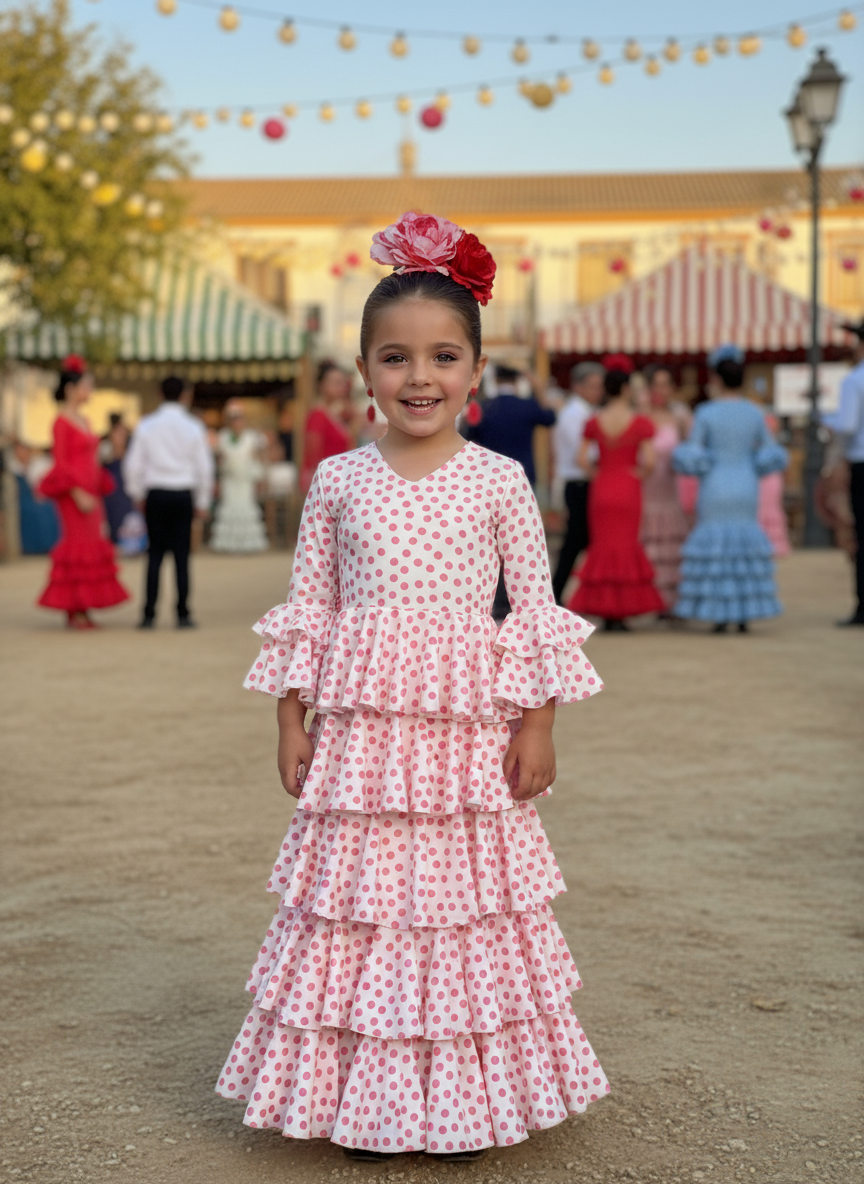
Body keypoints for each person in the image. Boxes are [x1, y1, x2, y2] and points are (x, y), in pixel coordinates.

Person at [216, 211, 609, 1159]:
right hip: (359, 747)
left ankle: (463, 1104)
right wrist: (288, 722)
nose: (419, 377)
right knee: (365, 910)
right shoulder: (339, 483)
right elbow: (307, 606)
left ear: (476, 371)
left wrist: (539, 726)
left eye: (441, 357)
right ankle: (369, 1103)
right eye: (395, 358)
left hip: (466, 740)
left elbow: (535, 612)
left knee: (461, 913)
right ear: (364, 372)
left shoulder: (500, 482)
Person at [672, 345, 788, 634]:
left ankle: (720, 616)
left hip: (715, 483)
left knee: (717, 548)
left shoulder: (706, 412)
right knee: (743, 547)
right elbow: (770, 453)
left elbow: (692, 452)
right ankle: (743, 615)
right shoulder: (755, 412)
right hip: (746, 483)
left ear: (717, 379)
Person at [568, 357, 664, 631]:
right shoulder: (640, 422)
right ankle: (622, 612)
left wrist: (598, 472)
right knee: (626, 546)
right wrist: (638, 474)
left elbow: (582, 459)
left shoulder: (594, 420)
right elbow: (650, 460)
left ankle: (606, 612)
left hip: (603, 487)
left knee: (603, 547)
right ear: (625, 390)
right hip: (628, 488)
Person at [36, 357, 130, 628]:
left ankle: (80, 605)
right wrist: (76, 492)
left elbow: (93, 459)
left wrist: (97, 486)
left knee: (91, 544)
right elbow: (61, 461)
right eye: (86, 386)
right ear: (71, 389)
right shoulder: (61, 422)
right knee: (77, 547)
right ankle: (74, 608)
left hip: (91, 491)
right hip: (73, 493)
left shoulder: (85, 420)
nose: (89, 391)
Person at [123, 375, 215, 629]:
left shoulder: (147, 425)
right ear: (185, 395)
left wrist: (137, 493)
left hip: (156, 493)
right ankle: (183, 613)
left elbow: (133, 465)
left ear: (160, 394)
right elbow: (204, 467)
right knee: (182, 557)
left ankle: (148, 614)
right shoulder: (193, 426)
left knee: (154, 555)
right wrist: (203, 500)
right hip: (183, 492)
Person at [551, 361, 604, 603]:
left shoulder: (585, 412)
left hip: (581, 482)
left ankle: (559, 593)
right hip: (579, 483)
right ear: (578, 387)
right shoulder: (575, 415)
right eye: (593, 386)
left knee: (579, 541)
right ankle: (556, 593)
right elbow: (584, 454)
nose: (598, 391)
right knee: (576, 541)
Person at [822, 317, 864, 626]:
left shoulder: (854, 380)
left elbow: (847, 425)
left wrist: (827, 420)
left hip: (861, 463)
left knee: (860, 536)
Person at [640, 364, 690, 613]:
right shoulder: (639, 416)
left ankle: (671, 604)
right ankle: (650, 600)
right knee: (648, 545)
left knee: (672, 548)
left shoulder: (679, 418)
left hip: (671, 490)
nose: (662, 389)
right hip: (645, 491)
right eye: (657, 384)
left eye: (666, 384)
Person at [462, 364, 557, 486]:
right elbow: (550, 418)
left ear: (496, 380)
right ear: (517, 381)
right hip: (522, 473)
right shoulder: (527, 406)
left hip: (490, 473)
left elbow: (468, 437)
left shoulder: (483, 407)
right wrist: (538, 388)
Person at [210, 399, 269, 553]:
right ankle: (228, 544)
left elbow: (259, 457)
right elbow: (218, 458)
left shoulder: (252, 437)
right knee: (229, 507)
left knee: (246, 507)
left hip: (245, 479)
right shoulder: (222, 436)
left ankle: (247, 544)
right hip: (229, 479)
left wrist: (260, 477)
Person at [299, 361, 354, 492]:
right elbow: (313, 455)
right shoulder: (318, 415)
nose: (340, 387)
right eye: (335, 383)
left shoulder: (337, 414)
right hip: (325, 484)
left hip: (337, 481)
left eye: (342, 383)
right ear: (321, 385)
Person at [757, 414, 791, 558]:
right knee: (765, 509)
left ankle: (772, 544)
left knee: (769, 508)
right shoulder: (775, 450)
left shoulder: (773, 449)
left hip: (770, 480)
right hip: (767, 479)